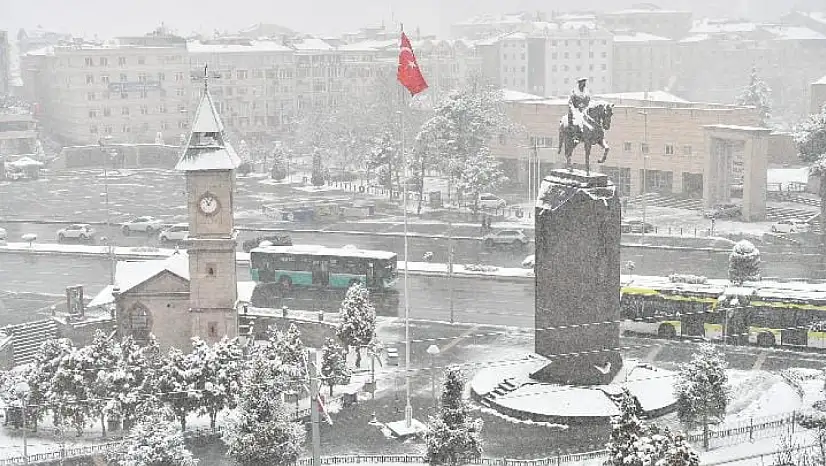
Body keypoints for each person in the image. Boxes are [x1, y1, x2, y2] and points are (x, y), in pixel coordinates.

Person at [568, 77, 592, 143]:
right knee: (578, 119)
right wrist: (578, 106)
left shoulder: (586, 92)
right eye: (582, 83)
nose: (584, 84)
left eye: (584, 83)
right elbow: (571, 101)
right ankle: (576, 135)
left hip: (584, 109)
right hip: (576, 109)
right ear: (579, 84)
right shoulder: (574, 92)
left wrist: (586, 106)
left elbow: (588, 100)